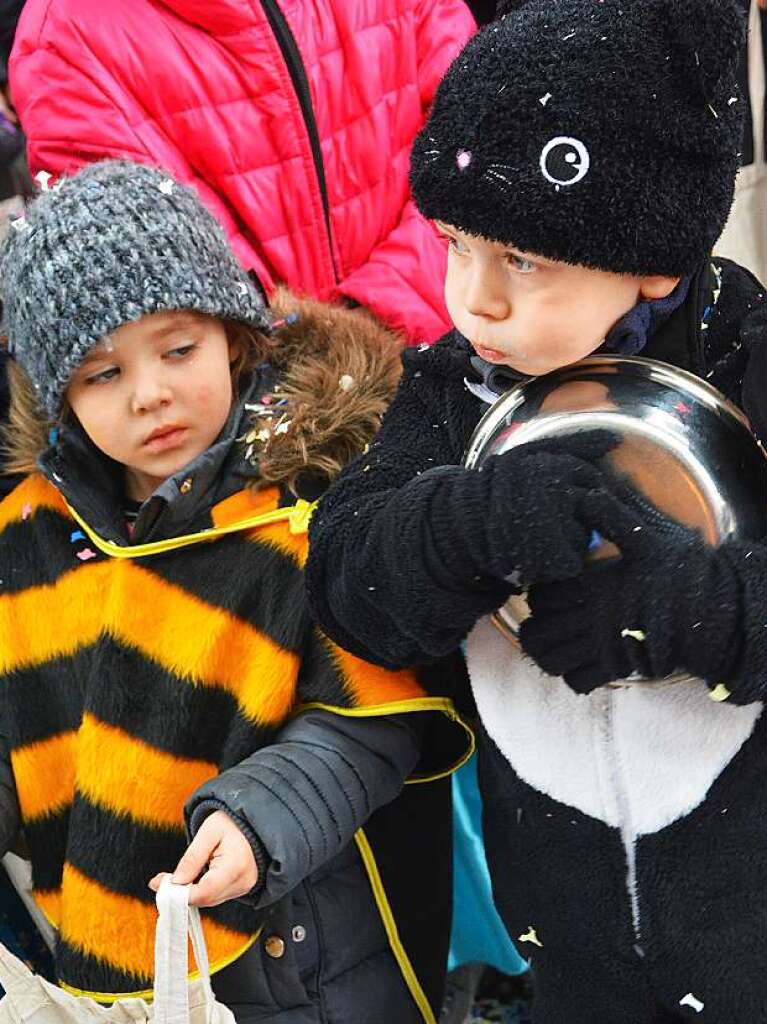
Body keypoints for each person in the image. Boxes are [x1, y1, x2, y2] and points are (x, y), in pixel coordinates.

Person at [306, 0, 767, 1020]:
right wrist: (459, 523)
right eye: (453, 243)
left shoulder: (742, 355)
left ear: (653, 253)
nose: (473, 301)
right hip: (559, 934)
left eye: (523, 260)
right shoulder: (452, 392)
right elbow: (344, 580)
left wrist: (698, 609)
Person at [0, 160, 471, 1023]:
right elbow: (13, 714)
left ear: (233, 335)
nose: (151, 395)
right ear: (58, 394)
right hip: (105, 958)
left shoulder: (311, 502)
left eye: (179, 349)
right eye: (102, 374)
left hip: (307, 948)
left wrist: (263, 821)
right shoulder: (32, 532)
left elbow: (376, 719)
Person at [7, 0, 475, 346]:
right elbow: (153, 258)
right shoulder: (66, 34)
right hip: (265, 418)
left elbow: (476, 147)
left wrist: (382, 315)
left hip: (468, 334)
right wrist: (316, 354)